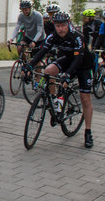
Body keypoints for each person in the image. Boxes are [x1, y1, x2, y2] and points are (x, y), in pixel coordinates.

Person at [25, 12, 95, 148]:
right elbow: (42, 52)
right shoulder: (53, 36)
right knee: (48, 71)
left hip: (83, 65)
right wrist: (29, 66)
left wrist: (67, 75)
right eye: (58, 26)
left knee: (85, 98)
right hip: (68, 60)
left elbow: (78, 59)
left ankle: (88, 131)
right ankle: (54, 103)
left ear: (68, 24)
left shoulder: (77, 37)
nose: (60, 29)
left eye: (63, 25)